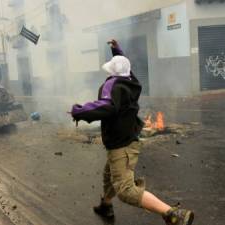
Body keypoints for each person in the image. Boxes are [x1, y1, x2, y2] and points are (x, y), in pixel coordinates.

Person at [70, 40, 194, 225]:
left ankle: (173, 214)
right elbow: (124, 67)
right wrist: (117, 51)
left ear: (112, 72)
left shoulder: (112, 85)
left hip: (121, 145)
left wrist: (80, 111)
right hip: (128, 139)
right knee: (108, 175)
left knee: (125, 189)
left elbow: (106, 106)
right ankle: (106, 205)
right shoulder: (131, 81)